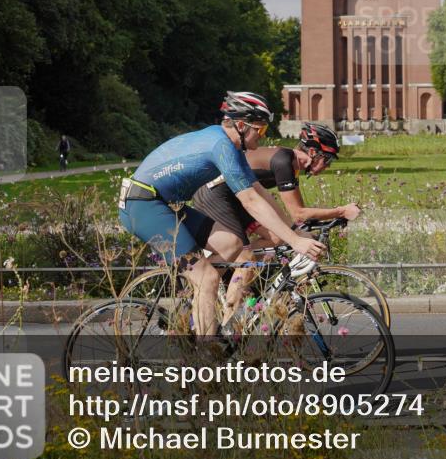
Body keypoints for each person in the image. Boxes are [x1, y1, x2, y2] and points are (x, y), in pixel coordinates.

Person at [117, 91, 325, 337]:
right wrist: (295, 241)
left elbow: (257, 194)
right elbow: (249, 202)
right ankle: (208, 360)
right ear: (240, 125)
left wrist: (291, 231)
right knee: (207, 279)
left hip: (163, 204)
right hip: (142, 205)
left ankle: (190, 314)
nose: (263, 136)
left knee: (232, 244)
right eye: (259, 130)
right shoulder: (221, 146)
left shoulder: (231, 148)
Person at [191, 122, 360, 317]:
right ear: (314, 153)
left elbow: (291, 215)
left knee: (277, 238)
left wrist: (295, 231)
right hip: (215, 194)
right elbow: (299, 214)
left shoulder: (291, 164)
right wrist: (340, 211)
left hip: (235, 198)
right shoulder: (284, 161)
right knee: (247, 259)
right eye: (328, 160)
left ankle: (232, 272)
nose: (327, 166)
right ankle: (230, 321)